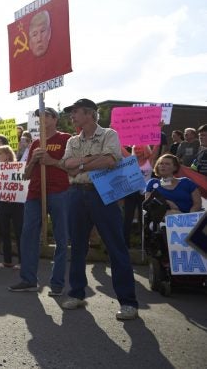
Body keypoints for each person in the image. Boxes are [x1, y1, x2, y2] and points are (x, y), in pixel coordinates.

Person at [59, 98, 139, 320]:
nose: (72, 116)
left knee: (116, 247)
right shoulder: (73, 140)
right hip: (76, 194)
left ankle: (128, 302)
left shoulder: (109, 134)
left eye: (75, 112)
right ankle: (76, 293)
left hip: (103, 193)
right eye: (71, 112)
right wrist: (93, 160)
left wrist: (82, 164)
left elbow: (111, 161)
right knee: (77, 247)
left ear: (90, 114)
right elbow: (66, 165)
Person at [9, 107, 71, 295]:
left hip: (59, 192)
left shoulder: (65, 139)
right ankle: (28, 279)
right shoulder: (35, 143)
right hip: (35, 193)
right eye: (38, 117)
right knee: (28, 235)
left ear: (55, 119)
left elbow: (73, 166)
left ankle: (57, 283)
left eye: (45, 116)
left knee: (61, 237)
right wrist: (34, 160)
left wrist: (51, 160)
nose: (41, 120)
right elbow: (25, 175)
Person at [0, 145, 24, 270]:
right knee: (4, 232)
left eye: (0, 154)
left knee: (19, 233)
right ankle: (7, 261)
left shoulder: (18, 167)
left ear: (7, 154)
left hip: (17, 204)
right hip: (3, 203)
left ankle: (22, 261)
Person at [122, 145, 154, 248]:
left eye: (140, 148)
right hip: (131, 192)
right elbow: (120, 149)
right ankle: (125, 243)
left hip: (145, 194)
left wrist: (158, 130)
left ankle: (144, 243)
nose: (137, 150)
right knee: (127, 218)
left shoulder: (150, 159)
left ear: (145, 149)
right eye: (135, 149)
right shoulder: (130, 160)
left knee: (143, 218)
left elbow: (157, 146)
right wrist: (115, 133)